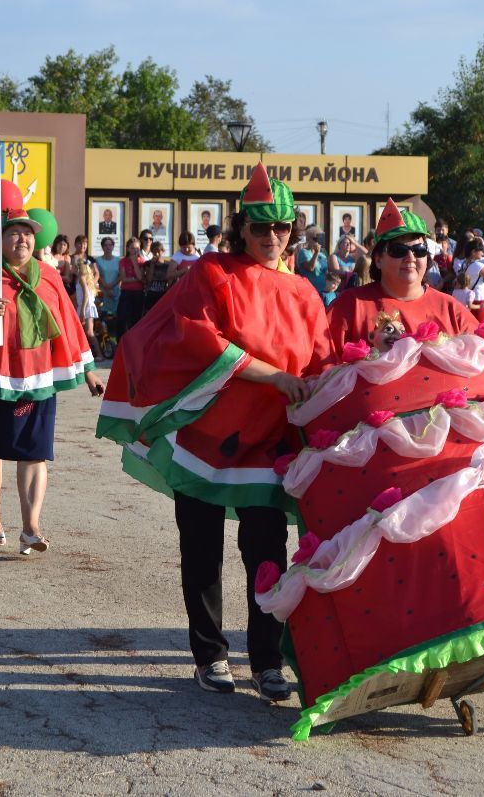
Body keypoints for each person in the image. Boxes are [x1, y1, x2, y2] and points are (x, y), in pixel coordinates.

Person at [97, 163, 330, 702]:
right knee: (201, 550)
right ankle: (210, 654)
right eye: (260, 227)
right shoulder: (212, 273)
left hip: (270, 444)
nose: (272, 237)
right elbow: (200, 339)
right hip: (206, 437)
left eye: (282, 227)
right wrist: (274, 375)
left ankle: (267, 661)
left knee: (267, 552)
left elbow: (322, 362)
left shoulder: (305, 293)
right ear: (240, 227)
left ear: (293, 231)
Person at [0, 208, 102, 551]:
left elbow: (68, 322)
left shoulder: (50, 276)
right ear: (0, 239)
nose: (22, 239)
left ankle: (31, 526)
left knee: (35, 453)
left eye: (27, 233)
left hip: (37, 380)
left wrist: (88, 371)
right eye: (14, 233)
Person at [326, 202, 477, 357]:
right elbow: (321, 366)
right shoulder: (349, 306)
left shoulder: (451, 309)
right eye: (398, 250)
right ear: (378, 259)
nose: (410, 257)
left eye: (419, 250)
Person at [115, 237, 146, 336]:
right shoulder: (123, 261)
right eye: (132, 248)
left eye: (137, 248)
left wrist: (134, 262)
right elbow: (124, 279)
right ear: (128, 249)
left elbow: (140, 277)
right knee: (122, 318)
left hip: (138, 293)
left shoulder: (141, 261)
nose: (135, 250)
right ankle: (121, 342)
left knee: (136, 319)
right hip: (126, 292)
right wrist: (135, 279)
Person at [95, 236, 121, 317]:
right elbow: (98, 275)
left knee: (116, 317)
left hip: (116, 292)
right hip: (103, 293)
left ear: (113, 246)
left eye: (110, 245)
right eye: (105, 245)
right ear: (102, 247)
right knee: (104, 317)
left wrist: (111, 286)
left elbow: (121, 276)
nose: (108, 247)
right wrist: (106, 287)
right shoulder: (98, 260)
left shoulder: (118, 260)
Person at [142, 241, 172, 311]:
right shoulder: (148, 263)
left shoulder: (168, 264)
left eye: (159, 251)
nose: (157, 254)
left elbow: (170, 280)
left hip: (162, 293)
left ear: (163, 251)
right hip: (151, 293)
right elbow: (149, 279)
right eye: (154, 252)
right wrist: (152, 264)